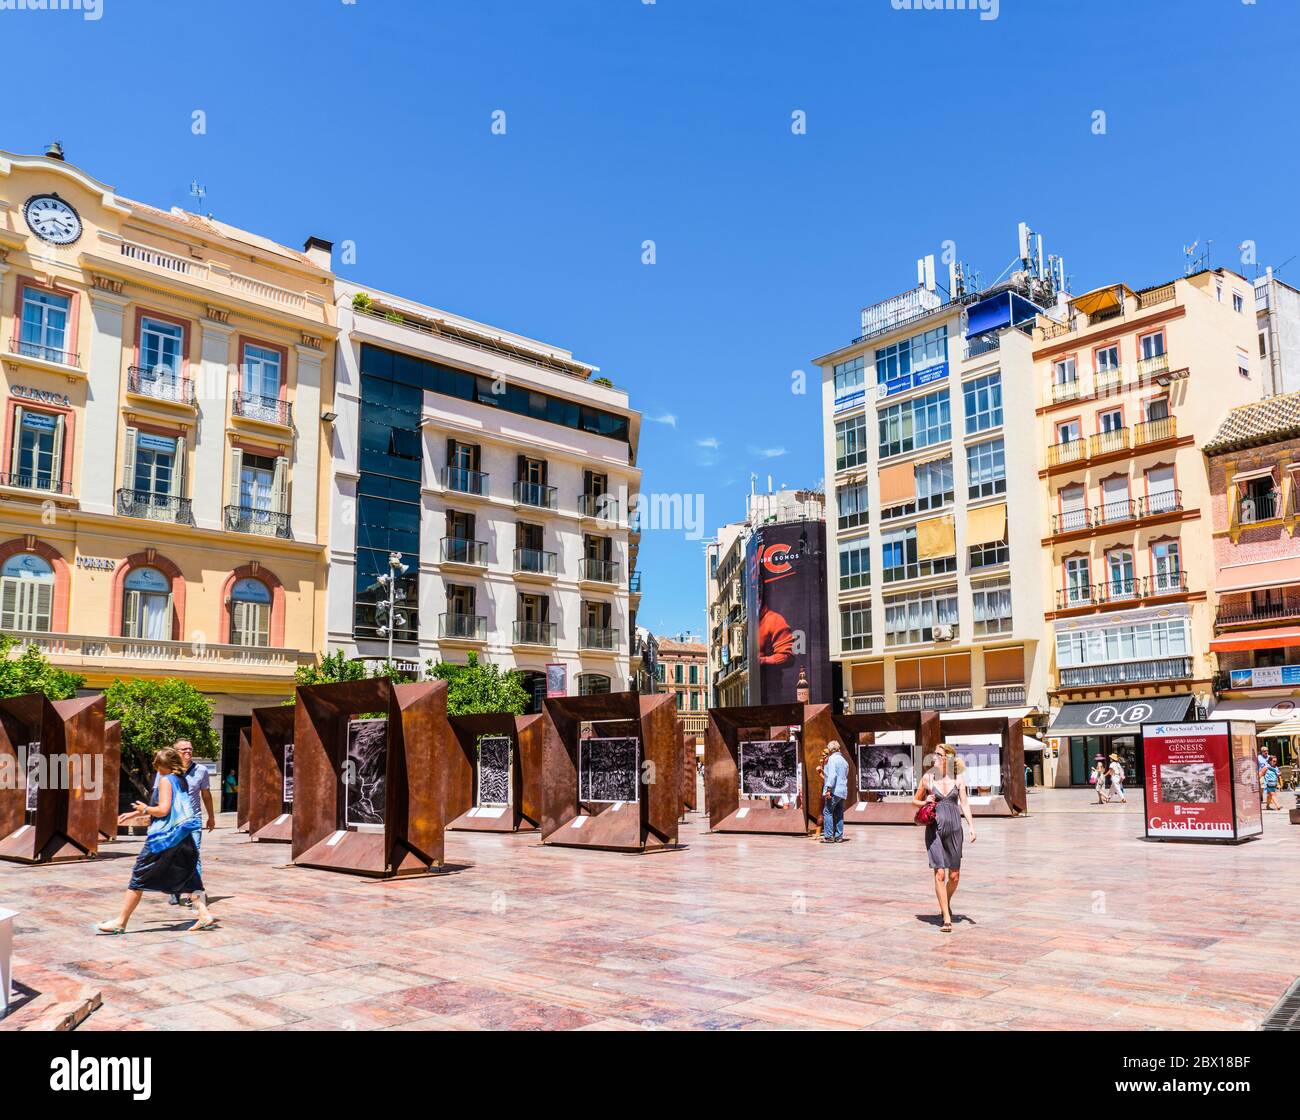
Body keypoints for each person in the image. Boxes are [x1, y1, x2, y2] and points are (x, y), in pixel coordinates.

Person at [96, 747, 215, 934]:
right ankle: (204, 914)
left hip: (164, 839)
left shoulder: (166, 780)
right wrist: (135, 812)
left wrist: (144, 810)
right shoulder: (181, 780)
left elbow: (163, 810)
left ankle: (120, 922)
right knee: (189, 875)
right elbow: (163, 805)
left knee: (139, 875)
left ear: (164, 764)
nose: (153, 765)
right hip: (182, 836)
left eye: (156, 762)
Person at [912, 744, 975, 933]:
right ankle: (946, 917)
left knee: (954, 876)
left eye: (938, 755)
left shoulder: (958, 778)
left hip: (955, 829)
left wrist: (971, 826)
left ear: (948, 757)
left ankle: (944, 901)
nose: (934, 758)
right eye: (935, 755)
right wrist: (925, 801)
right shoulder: (928, 778)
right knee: (940, 873)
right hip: (935, 830)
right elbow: (914, 800)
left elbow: (964, 803)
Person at [155, 740, 216, 907]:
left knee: (193, 855)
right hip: (171, 821)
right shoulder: (165, 770)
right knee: (172, 855)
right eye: (184, 749)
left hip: (193, 820)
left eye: (190, 748)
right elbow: (157, 796)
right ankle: (174, 891)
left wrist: (211, 816)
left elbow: (206, 795)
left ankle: (194, 894)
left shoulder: (201, 770)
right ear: (175, 752)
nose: (188, 751)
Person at [821, 741, 848, 844]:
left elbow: (832, 775)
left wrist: (828, 789)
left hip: (834, 790)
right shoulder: (844, 760)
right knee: (839, 813)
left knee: (827, 811)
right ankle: (839, 836)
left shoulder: (832, 759)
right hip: (842, 791)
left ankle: (828, 836)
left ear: (831, 749)